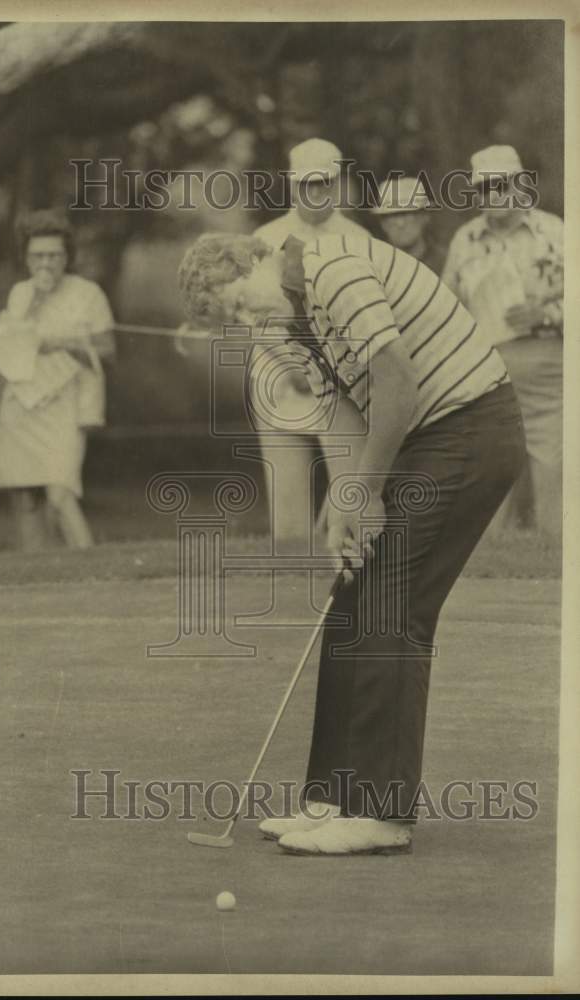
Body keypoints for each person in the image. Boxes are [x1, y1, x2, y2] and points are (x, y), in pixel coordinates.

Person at [178, 229, 525, 855]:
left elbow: (397, 385)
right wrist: (346, 502)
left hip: (471, 428)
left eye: (239, 301)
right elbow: (344, 410)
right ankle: (333, 797)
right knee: (352, 595)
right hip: (422, 438)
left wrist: (367, 493)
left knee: (393, 603)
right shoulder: (287, 324)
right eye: (230, 318)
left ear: (258, 260)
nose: (245, 319)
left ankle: (381, 814)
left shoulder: (333, 269)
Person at [0, 210, 114, 551]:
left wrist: (63, 343)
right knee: (24, 495)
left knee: (59, 492)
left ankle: (93, 568)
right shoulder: (20, 293)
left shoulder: (88, 293)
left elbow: (108, 350)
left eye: (53, 255)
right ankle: (38, 572)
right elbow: (3, 343)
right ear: (26, 258)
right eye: (38, 255)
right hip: (23, 401)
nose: (46, 263)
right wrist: (35, 301)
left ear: (67, 256)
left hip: (68, 401)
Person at [442, 145, 563, 537]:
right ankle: (494, 558)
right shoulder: (466, 239)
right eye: (485, 188)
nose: (494, 195)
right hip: (487, 371)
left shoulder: (555, 232)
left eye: (502, 184)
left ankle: (553, 561)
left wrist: (546, 314)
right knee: (491, 468)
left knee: (556, 470)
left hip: (549, 368)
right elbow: (447, 308)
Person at [253, 139, 368, 551]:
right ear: (292, 185)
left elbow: (364, 317)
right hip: (280, 380)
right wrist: (293, 365)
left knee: (350, 501)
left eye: (324, 183)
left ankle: (349, 604)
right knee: (288, 520)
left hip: (339, 381)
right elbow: (257, 315)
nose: (316, 193)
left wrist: (331, 369)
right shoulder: (266, 239)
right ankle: (289, 603)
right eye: (307, 184)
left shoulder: (358, 239)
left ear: (337, 183)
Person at [371, 175, 446, 275]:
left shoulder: (445, 262)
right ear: (383, 223)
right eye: (392, 215)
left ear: (424, 216)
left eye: (406, 213)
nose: (400, 223)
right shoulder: (374, 266)